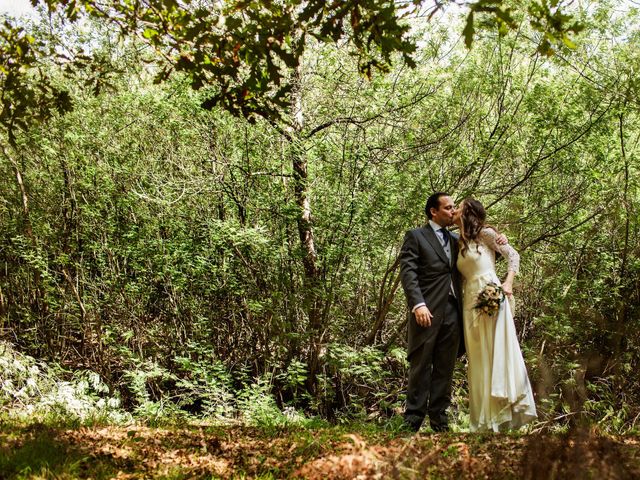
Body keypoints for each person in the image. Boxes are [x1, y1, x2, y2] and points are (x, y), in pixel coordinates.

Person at [399, 192, 494, 432]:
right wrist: (418, 304)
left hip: (454, 312)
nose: (453, 211)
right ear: (434, 211)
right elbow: (408, 274)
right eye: (448, 207)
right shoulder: (416, 236)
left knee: (445, 367)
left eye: (454, 207)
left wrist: (497, 239)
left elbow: (480, 258)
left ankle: (439, 421)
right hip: (426, 311)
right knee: (420, 366)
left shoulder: (457, 239)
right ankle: (412, 421)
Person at [453, 198, 537, 432]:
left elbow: (513, 255)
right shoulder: (456, 241)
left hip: (491, 293)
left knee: (496, 351)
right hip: (469, 298)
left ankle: (504, 412)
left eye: (458, 206)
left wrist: (507, 283)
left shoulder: (486, 234)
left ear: (467, 212)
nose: (454, 210)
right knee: (478, 357)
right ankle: (483, 421)